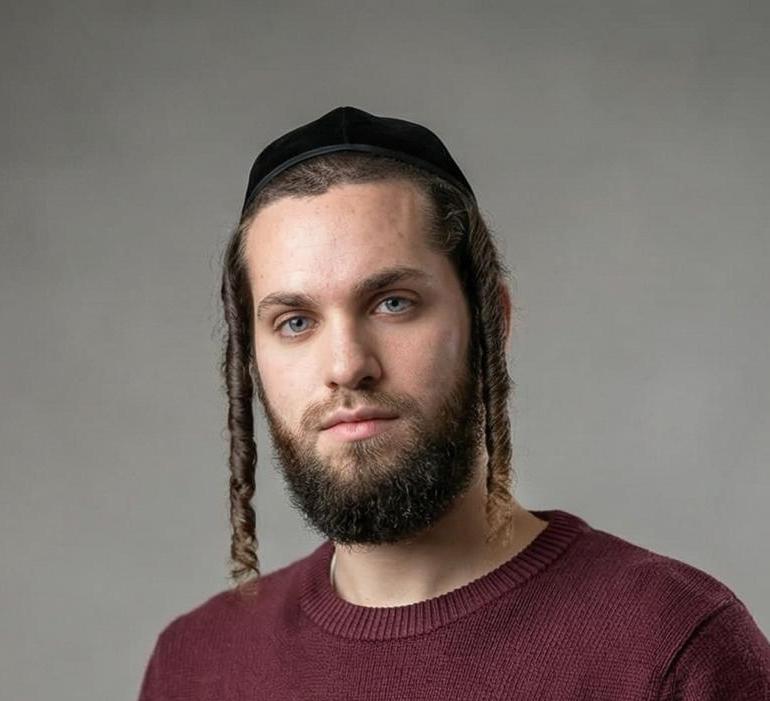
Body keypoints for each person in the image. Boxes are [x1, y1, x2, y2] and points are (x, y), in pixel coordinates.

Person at [137, 106, 770, 700]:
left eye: (393, 303)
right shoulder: (194, 666)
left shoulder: (672, 647)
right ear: (253, 357)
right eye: (295, 322)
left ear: (490, 323)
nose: (346, 365)